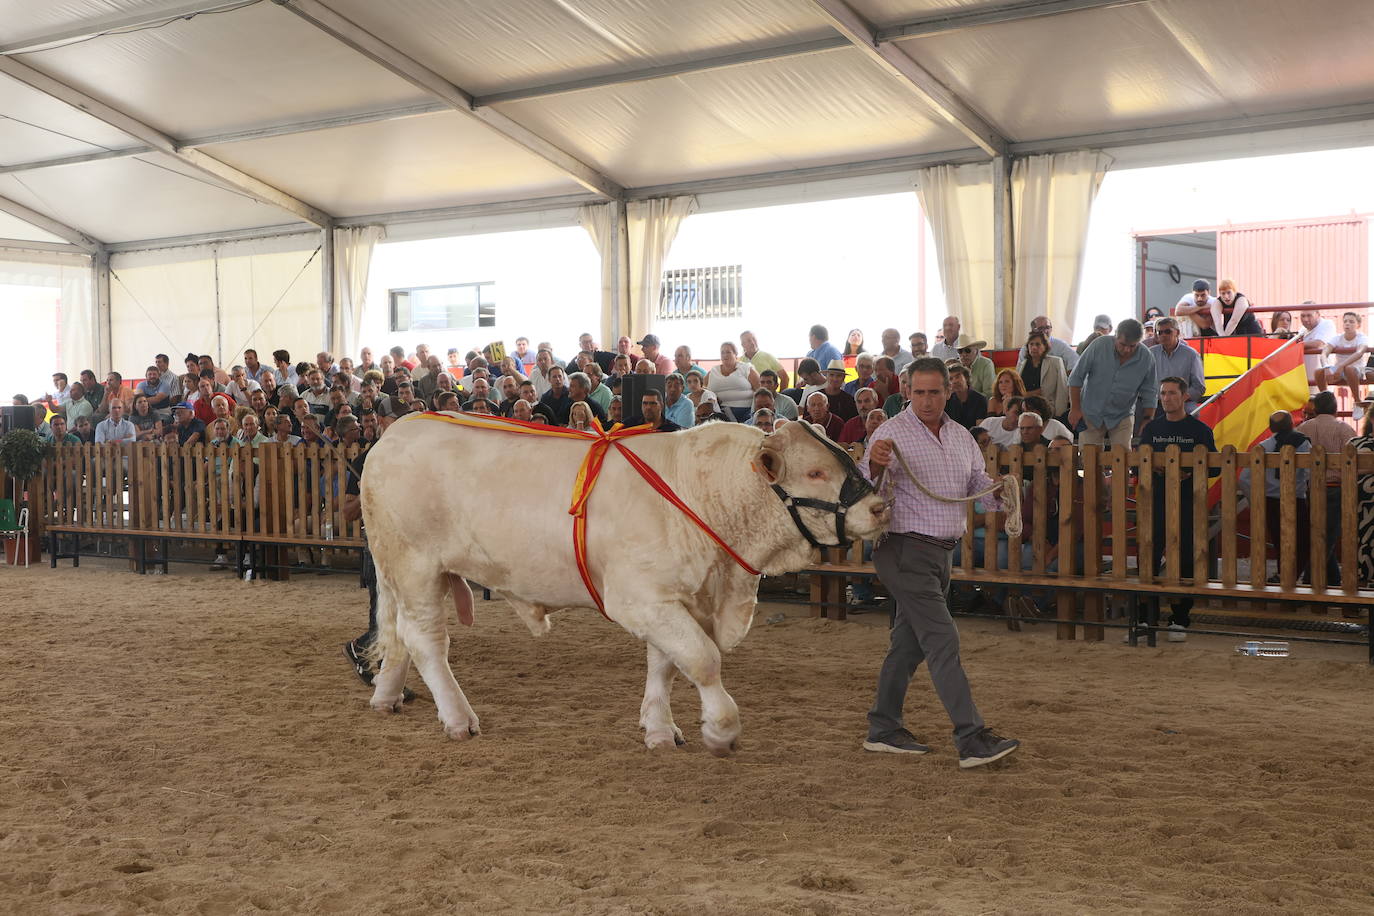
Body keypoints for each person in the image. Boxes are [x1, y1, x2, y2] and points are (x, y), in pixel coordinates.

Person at [857, 357, 1019, 767]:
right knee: (942, 639)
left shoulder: (962, 436)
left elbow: (977, 488)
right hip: (904, 550)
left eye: (934, 392)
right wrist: (875, 462)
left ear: (948, 391)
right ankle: (971, 737)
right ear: (907, 391)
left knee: (908, 646)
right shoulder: (891, 433)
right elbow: (863, 490)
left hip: (940, 553)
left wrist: (1000, 493)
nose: (926, 401)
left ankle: (883, 728)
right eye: (918, 392)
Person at [1137, 377, 1218, 642]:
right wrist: (1155, 467)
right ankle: (1145, 617)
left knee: (1185, 560)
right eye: (1162, 393)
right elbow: (1138, 464)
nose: (1166, 398)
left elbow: (1215, 466)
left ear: (1184, 396)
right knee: (1147, 557)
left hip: (1188, 505)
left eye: (1172, 393)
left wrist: (1189, 471)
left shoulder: (1200, 430)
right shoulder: (1151, 429)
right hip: (1155, 503)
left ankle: (1180, 618)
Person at [1238, 411, 1310, 585]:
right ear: (1291, 423)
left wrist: (1256, 500)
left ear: (1270, 427)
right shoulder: (1303, 443)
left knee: (1279, 541)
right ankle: (1290, 578)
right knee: (1302, 542)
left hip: (1270, 501)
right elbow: (1309, 472)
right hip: (1296, 499)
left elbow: (1244, 479)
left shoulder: (1262, 447)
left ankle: (1283, 576)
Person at [1068, 319, 1158, 449]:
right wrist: (1075, 408)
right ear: (1115, 335)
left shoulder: (1146, 357)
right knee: (1088, 458)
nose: (1127, 349)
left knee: (1122, 458)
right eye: (1122, 344)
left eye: (1132, 346)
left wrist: (1148, 419)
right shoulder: (1099, 345)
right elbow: (1076, 377)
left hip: (1123, 414)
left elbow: (1150, 392)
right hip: (1091, 412)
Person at [1298, 391, 1354, 585]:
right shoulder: (1345, 430)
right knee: (1327, 536)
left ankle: (1333, 579)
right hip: (1336, 487)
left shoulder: (1303, 429)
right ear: (1335, 409)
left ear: (1316, 408)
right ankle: (1310, 579)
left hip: (1310, 487)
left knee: (1317, 532)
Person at [1149, 317, 1207, 409]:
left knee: (1191, 413)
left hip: (1183, 402)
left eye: (1168, 332)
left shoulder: (1191, 355)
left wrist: (1179, 398)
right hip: (1157, 403)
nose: (1163, 335)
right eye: (1160, 332)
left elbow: (1199, 387)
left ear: (1177, 332)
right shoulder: (1150, 354)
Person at [1017, 331, 1070, 418]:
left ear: (1045, 346)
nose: (1034, 347)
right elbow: (1018, 391)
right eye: (1031, 344)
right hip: (1024, 409)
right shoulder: (1022, 364)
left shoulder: (1055, 362)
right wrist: (1033, 393)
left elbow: (1062, 390)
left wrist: (1059, 415)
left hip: (1047, 409)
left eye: (1038, 344)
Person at [1317, 311, 1369, 399]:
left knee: (1349, 368)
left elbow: (1359, 353)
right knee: (1318, 372)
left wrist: (1342, 365)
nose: (1347, 324)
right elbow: (1324, 352)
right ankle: (1326, 400)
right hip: (1338, 371)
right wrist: (1326, 367)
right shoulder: (1337, 338)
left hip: (1356, 370)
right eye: (1345, 321)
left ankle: (1357, 401)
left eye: (1351, 322)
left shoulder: (1362, 338)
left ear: (1358, 325)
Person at [707, 342, 761, 422]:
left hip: (746, 411)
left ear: (735, 354)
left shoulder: (746, 368)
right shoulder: (713, 371)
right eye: (722, 352)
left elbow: (760, 389)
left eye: (728, 352)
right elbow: (702, 388)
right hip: (720, 411)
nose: (725, 355)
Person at [1298, 306, 1339, 389]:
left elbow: (1318, 343)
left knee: (1323, 400)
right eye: (1303, 316)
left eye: (1309, 315)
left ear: (1318, 314)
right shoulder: (1302, 330)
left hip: (1321, 377)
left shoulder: (1327, 324)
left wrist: (1296, 345)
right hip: (1305, 378)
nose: (1305, 319)